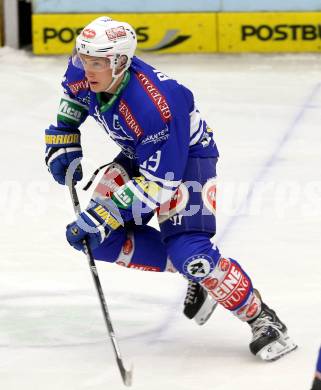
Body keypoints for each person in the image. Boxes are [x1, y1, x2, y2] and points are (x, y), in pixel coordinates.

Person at [45, 16, 297, 361]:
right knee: (99, 240)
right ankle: (206, 275)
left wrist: (105, 212)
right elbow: (73, 98)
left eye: (96, 62)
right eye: (82, 57)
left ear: (120, 62)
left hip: (185, 161)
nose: (86, 68)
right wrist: (64, 134)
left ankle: (262, 318)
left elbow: (162, 184)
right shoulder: (85, 71)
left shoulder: (155, 107)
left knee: (189, 252)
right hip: (143, 155)